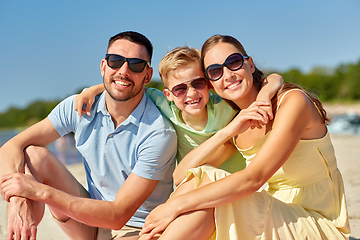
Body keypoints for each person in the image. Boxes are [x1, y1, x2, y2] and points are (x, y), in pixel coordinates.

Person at [137, 35, 351, 240]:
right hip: (271, 218)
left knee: (207, 187)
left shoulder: (292, 102)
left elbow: (254, 178)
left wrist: (174, 205)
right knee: (201, 194)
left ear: (250, 64)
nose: (228, 75)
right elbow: (181, 176)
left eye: (234, 62)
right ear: (212, 84)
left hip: (317, 225)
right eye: (215, 71)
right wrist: (227, 132)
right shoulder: (239, 127)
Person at [0, 31, 177, 240]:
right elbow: (10, 147)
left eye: (136, 65)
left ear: (147, 75)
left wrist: (40, 192)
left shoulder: (158, 133)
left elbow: (118, 216)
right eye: (116, 61)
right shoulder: (79, 107)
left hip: (135, 229)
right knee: (34, 155)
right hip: (87, 222)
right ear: (103, 66)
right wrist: (18, 200)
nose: (124, 71)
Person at [76, 46, 283, 185]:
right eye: (180, 89)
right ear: (169, 95)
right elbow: (128, 88)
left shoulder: (226, 106)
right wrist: (92, 90)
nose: (191, 93)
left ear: (209, 84)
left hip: (233, 182)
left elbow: (274, 78)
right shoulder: (165, 105)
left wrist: (264, 95)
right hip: (191, 182)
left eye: (198, 84)